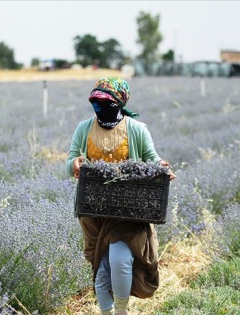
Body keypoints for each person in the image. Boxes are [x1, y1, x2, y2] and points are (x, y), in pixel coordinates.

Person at [65, 77, 176, 315]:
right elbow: (70, 160)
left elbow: (152, 158)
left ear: (119, 102)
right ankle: (107, 311)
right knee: (101, 267)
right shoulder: (84, 128)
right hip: (93, 211)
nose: (99, 108)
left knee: (120, 260)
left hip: (129, 211)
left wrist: (162, 168)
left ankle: (122, 310)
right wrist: (74, 164)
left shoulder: (136, 129)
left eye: (105, 103)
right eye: (95, 102)